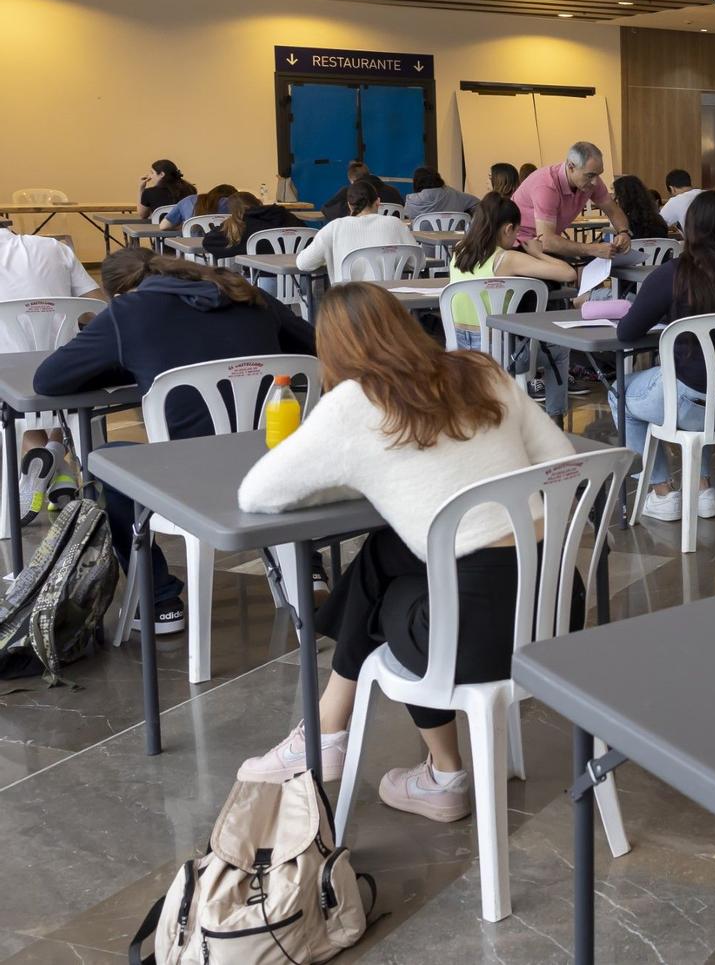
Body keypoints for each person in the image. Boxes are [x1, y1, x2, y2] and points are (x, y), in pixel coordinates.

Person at [234, 283, 579, 818]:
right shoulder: (481, 370)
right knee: (383, 553)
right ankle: (328, 728)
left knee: (388, 593)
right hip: (557, 604)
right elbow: (561, 459)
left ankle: (438, 774)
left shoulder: (353, 403)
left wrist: (359, 475)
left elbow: (257, 494)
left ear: (333, 349)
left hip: (470, 635)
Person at [35, 249, 315, 634]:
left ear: (120, 291)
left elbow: (48, 381)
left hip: (188, 482)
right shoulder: (249, 294)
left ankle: (160, 602)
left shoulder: (126, 313)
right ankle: (307, 567)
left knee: (107, 460)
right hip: (275, 464)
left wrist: (128, 358)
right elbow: (314, 345)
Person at [614, 192, 715, 522]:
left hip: (690, 403)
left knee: (619, 393)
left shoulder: (676, 273)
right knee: (702, 377)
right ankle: (703, 489)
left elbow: (626, 332)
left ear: (690, 229)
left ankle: (661, 492)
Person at [0, 228, 104, 511]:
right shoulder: (53, 247)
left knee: (15, 387)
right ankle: (57, 459)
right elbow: (97, 308)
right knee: (50, 378)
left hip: (8, 384)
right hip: (68, 372)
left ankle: (37, 453)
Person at [445, 194, 576, 349]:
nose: (516, 238)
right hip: (495, 348)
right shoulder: (506, 259)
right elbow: (569, 273)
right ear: (508, 229)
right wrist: (537, 253)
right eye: (517, 232)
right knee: (559, 349)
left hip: (456, 343)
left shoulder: (460, 249)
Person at [510, 142, 634, 261]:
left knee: (582, 269)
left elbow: (613, 210)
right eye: (590, 175)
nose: (595, 182)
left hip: (542, 243)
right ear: (571, 167)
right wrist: (591, 249)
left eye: (598, 174)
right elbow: (547, 241)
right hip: (519, 245)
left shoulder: (591, 181)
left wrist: (623, 232)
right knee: (569, 274)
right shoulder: (546, 186)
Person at [297, 178, 419, 281]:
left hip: (347, 305)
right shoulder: (396, 224)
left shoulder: (333, 228)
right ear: (378, 202)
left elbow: (304, 263)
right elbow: (418, 262)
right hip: (387, 302)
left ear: (349, 204)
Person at [201, 192, 306, 260]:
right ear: (258, 201)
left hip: (261, 279)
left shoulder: (239, 226)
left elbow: (208, 243)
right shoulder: (287, 216)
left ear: (231, 210)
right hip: (302, 277)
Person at [319, 161, 403, 219]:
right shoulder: (393, 191)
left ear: (352, 180)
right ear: (368, 173)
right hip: (390, 238)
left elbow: (326, 208)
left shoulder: (349, 192)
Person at [402, 166, 479, 220]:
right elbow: (477, 203)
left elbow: (406, 217)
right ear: (438, 178)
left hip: (422, 241)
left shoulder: (412, 200)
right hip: (452, 240)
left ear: (416, 182)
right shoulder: (454, 194)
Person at [612, 174, 671, 240]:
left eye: (616, 196)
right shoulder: (659, 221)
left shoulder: (624, 226)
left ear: (623, 198)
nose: (614, 199)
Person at [164, 182, 238, 228]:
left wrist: (184, 227)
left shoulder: (189, 200)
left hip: (194, 248)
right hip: (228, 248)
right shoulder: (236, 204)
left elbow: (164, 226)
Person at [660, 168, 698, 234]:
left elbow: (657, 225)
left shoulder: (676, 201)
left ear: (672, 189)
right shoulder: (706, 194)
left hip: (699, 243)